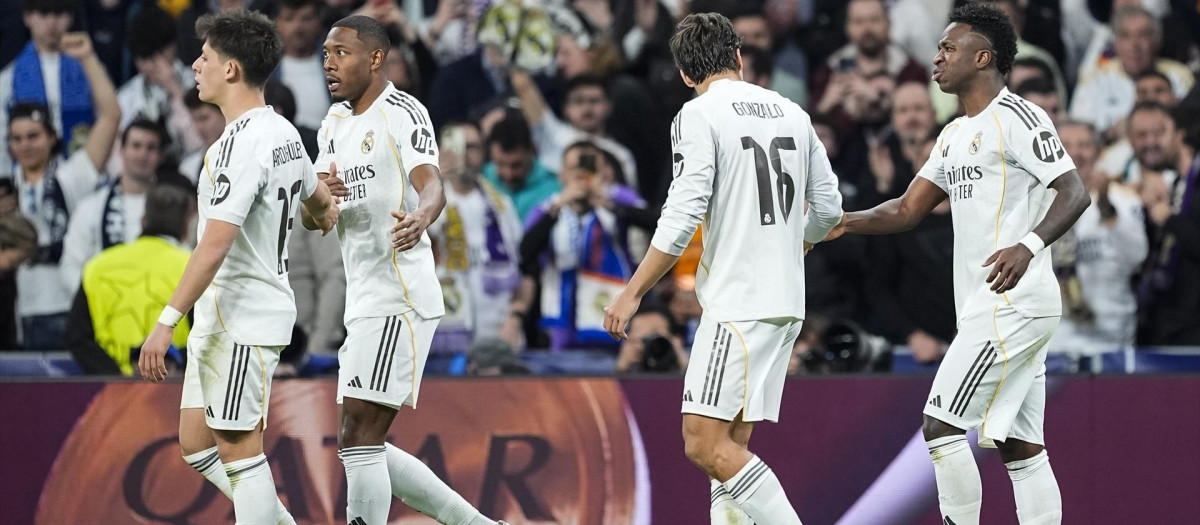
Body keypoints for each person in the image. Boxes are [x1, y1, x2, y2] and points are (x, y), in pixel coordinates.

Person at [822, 5, 1091, 524]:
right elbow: (905, 209)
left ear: (983, 56)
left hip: (1012, 302)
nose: (936, 57)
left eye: (949, 48)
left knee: (940, 424)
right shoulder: (951, 135)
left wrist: (1028, 246)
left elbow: (1073, 190)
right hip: (985, 305)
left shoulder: (1020, 118)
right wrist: (844, 222)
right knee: (1020, 445)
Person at [603, 13, 843, 525]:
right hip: (785, 303)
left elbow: (681, 213)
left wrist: (634, 291)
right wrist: (794, 245)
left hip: (736, 304)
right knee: (730, 448)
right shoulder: (794, 113)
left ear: (687, 76)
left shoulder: (697, 115)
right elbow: (828, 210)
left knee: (703, 443)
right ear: (739, 57)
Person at [137, 10, 339, 525]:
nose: (194, 65)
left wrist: (165, 322)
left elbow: (215, 243)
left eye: (204, 57)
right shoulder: (284, 132)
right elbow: (319, 205)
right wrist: (323, 210)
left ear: (230, 69)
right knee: (196, 443)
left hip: (243, 314)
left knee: (239, 450)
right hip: (227, 315)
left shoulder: (241, 144)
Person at [312, 15, 505, 525]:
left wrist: (423, 215)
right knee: (357, 440)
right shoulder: (331, 124)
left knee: (360, 439)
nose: (329, 62)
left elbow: (431, 180)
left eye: (341, 52)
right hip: (364, 298)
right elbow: (318, 218)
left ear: (375, 58)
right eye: (326, 53)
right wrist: (319, 202)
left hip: (398, 294)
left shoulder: (402, 111)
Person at [8, 31, 121, 350]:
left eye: (33, 136)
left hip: (71, 305)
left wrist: (87, 58)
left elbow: (111, 117)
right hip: (24, 311)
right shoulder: (6, 187)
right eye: (16, 139)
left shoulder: (72, 176)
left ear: (52, 138)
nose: (25, 145)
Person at [515, 141, 650, 350]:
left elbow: (655, 222)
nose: (581, 175)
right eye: (574, 169)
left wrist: (607, 203)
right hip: (558, 329)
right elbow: (525, 252)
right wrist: (559, 206)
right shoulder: (548, 207)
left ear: (604, 172)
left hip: (613, 320)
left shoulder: (617, 198)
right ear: (561, 175)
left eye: (588, 168)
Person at [66, 184, 194, 375]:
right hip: (173, 388)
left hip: (114, 393)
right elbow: (209, 336)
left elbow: (77, 338)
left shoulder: (97, 266)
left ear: (143, 221)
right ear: (185, 228)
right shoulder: (192, 266)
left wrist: (117, 379)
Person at [1050, 121, 1146, 359]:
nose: (1075, 153)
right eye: (1066, 145)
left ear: (1098, 151)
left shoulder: (1123, 200)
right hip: (1055, 342)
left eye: (1084, 145)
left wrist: (1106, 209)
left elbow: (1137, 257)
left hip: (1110, 339)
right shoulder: (1035, 205)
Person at [428, 120, 522, 352]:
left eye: (473, 147)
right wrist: (434, 182)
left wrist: (513, 318)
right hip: (445, 323)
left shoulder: (500, 205)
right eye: (458, 146)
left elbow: (518, 267)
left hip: (495, 326)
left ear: (484, 152)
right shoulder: (422, 200)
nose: (465, 155)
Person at [59, 119, 172, 292]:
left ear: (161, 156)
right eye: (136, 146)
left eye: (151, 148)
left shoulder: (172, 206)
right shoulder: (91, 207)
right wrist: (93, 301)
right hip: (104, 308)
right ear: (121, 150)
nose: (142, 155)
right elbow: (71, 266)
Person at [1068, 6, 1194, 141]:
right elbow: (1076, 132)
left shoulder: (1180, 76)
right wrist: (1109, 134)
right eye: (1125, 36)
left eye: (1143, 35)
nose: (1134, 44)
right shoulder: (1094, 79)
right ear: (1114, 42)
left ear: (1157, 40)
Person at [0, 0, 93, 174]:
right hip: (26, 177)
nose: (51, 22)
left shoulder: (89, 68)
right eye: (43, 14)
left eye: (58, 14)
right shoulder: (9, 77)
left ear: (70, 18)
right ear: (27, 18)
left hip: (80, 173)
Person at [481, 110, 561, 221]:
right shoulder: (480, 181)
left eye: (516, 165)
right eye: (500, 164)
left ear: (532, 150)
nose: (509, 174)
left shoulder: (556, 185)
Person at [274, 0, 330, 130]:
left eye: (306, 19)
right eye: (289, 19)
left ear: (318, 22)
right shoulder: (265, 69)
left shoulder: (336, 64)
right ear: (277, 23)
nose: (298, 27)